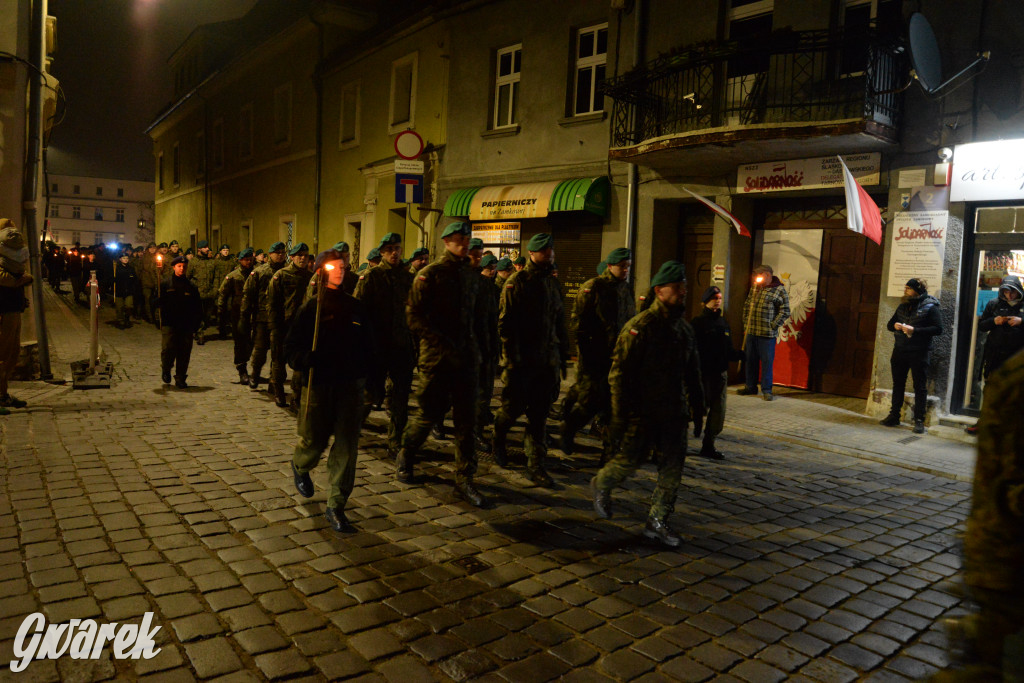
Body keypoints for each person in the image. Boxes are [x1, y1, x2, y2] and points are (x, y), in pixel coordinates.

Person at [591, 260, 704, 547]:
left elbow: (693, 372)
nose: (683, 292)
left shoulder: (684, 330)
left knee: (672, 469)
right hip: (642, 412)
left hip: (674, 414)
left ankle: (657, 520)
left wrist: (698, 407)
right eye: (677, 288)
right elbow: (618, 375)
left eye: (685, 287)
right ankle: (602, 483)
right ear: (659, 290)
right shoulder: (639, 327)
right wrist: (619, 416)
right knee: (630, 461)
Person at [396, 221, 489, 507]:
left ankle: (464, 480)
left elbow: (479, 319)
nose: (463, 243)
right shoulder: (430, 274)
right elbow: (413, 317)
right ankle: (407, 454)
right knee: (427, 416)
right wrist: (439, 342)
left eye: (467, 239)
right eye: (458, 239)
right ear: (447, 242)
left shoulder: (473, 277)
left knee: (466, 423)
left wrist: (481, 352)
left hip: (467, 360)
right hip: (437, 359)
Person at [286, 248, 372, 533]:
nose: (341, 270)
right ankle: (300, 466)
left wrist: (370, 376)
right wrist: (306, 359)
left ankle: (336, 505)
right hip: (320, 385)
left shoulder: (356, 306)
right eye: (335, 266)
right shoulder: (311, 307)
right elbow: (292, 349)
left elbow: (369, 346)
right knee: (314, 442)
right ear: (322, 271)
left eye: (343, 266)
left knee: (347, 447)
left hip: (349, 386)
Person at [492, 233, 569, 486]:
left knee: (539, 415)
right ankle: (498, 438)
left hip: (546, 362)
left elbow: (559, 321)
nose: (550, 254)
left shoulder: (553, 283)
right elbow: (505, 325)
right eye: (544, 250)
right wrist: (512, 359)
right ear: (533, 253)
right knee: (512, 410)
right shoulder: (518, 281)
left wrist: (562, 354)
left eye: (552, 250)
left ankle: (536, 465)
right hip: (522, 362)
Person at [560, 247, 635, 460]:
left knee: (615, 405)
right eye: (622, 266)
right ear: (610, 266)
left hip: (617, 358)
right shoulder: (593, 287)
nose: (625, 270)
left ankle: (610, 452)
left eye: (627, 266)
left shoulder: (625, 289)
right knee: (590, 401)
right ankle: (569, 427)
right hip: (595, 356)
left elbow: (630, 320)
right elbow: (577, 323)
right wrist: (588, 354)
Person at [354, 232, 415, 457]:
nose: (394, 252)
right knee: (371, 394)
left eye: (397, 248)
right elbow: (358, 311)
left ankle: (396, 441)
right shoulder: (372, 277)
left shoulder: (408, 278)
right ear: (382, 253)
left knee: (400, 397)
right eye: (389, 249)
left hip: (400, 345)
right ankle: (351, 430)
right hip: (377, 346)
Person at [879, 278, 942, 434]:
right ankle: (894, 415)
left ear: (917, 290)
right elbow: (889, 324)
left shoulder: (930, 307)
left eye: (909, 288)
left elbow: (938, 329)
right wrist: (895, 325)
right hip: (900, 349)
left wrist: (915, 331)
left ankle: (919, 420)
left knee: (919, 386)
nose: (905, 290)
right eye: (905, 287)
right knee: (898, 383)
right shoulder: (903, 306)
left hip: (919, 351)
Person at [966, 276, 1024, 435]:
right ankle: (984, 422)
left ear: (1018, 290)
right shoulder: (993, 304)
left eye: (1012, 292)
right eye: (1006, 292)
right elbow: (982, 326)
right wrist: (994, 321)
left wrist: (1021, 321)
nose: (1009, 296)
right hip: (995, 356)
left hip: (1016, 358)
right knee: (990, 390)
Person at [691, 286, 743, 459]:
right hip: (704, 374)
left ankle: (708, 445)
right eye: (714, 298)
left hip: (720, 374)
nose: (718, 300)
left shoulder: (723, 322)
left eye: (720, 297)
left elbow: (727, 349)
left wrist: (740, 355)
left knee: (718, 412)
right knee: (695, 411)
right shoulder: (698, 323)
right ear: (705, 302)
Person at [268, 242, 312, 408]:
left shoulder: (310, 277)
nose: (302, 259)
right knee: (278, 360)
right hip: (282, 324)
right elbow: (272, 302)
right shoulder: (281, 275)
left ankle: (296, 395)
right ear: (292, 257)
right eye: (299, 256)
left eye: (305, 256)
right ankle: (278, 391)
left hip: (301, 327)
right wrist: (274, 326)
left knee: (300, 362)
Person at [739, 264, 790, 401]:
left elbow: (785, 310)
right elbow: (747, 305)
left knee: (767, 362)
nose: (757, 278)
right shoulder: (755, 288)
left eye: (759, 275)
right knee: (750, 361)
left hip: (767, 335)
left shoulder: (779, 290)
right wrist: (746, 324)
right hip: (752, 331)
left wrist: (773, 325)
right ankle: (750, 387)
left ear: (767, 275)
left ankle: (767, 390)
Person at [241, 241, 287, 390]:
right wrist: (245, 316)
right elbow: (248, 295)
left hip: (281, 318)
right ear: (270, 255)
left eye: (282, 253)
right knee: (260, 349)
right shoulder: (260, 272)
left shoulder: (288, 272)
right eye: (277, 253)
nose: (280, 256)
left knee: (278, 351)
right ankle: (255, 373)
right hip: (262, 317)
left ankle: (275, 380)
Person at [0, 221, 32, 414]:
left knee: (11, 355)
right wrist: (24, 279)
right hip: (3, 310)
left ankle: (3, 395)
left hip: (12, 309)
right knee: (2, 355)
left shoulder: (9, 258)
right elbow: (6, 279)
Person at [159, 256, 203, 388]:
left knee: (184, 352)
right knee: (167, 349)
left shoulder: (191, 286)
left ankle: (180, 377)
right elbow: (155, 302)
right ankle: (166, 368)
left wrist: (196, 324)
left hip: (186, 324)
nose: (182, 269)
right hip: (169, 323)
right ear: (174, 267)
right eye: (179, 266)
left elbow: (197, 307)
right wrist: (158, 316)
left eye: (184, 266)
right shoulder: (165, 284)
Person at [218, 248, 256, 385]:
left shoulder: (256, 274)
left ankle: (249, 367)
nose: (248, 262)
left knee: (252, 341)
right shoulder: (233, 276)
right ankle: (242, 369)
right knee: (240, 342)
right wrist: (221, 311)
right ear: (240, 260)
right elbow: (223, 293)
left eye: (250, 259)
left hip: (254, 312)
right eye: (246, 260)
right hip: (237, 313)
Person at [187, 240, 219, 344]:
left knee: (207, 315)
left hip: (209, 293)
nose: (207, 249)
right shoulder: (193, 262)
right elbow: (188, 277)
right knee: (198, 314)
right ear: (199, 249)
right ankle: (200, 333)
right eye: (205, 247)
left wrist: (215, 290)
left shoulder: (212, 262)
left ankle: (199, 329)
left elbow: (216, 277)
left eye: (207, 247)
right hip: (197, 293)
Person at [213, 244, 236, 337]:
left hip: (230, 288)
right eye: (224, 250)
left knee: (230, 308)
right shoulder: (216, 262)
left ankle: (229, 326)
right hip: (220, 288)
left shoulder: (232, 262)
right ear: (220, 251)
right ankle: (222, 328)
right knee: (221, 309)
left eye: (227, 250)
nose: (226, 251)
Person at [112, 250, 138, 329]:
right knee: (119, 307)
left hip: (129, 291)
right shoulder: (116, 268)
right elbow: (113, 279)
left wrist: (134, 287)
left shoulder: (131, 269)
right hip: (119, 291)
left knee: (129, 306)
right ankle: (120, 320)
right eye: (123, 258)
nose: (125, 259)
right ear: (120, 259)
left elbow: (135, 279)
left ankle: (127, 318)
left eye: (127, 258)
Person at [140, 242, 161, 324]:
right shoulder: (144, 257)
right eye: (151, 248)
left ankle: (154, 316)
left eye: (154, 248)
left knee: (154, 300)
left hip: (156, 282)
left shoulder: (158, 257)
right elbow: (141, 269)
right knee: (147, 300)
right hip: (147, 282)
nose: (152, 249)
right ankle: (149, 317)